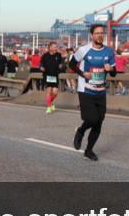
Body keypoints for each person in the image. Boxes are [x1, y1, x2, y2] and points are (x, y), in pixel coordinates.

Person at [69, 25, 117, 160]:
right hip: (85, 90)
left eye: (102, 33)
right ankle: (81, 131)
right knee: (91, 119)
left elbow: (113, 73)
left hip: (101, 91)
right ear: (92, 35)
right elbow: (71, 64)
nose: (100, 35)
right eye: (97, 33)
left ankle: (89, 151)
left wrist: (110, 69)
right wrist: (83, 73)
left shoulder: (109, 51)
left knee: (99, 122)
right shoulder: (84, 50)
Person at [38, 41, 65, 112]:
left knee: (55, 93)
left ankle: (50, 102)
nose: (56, 48)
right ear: (50, 48)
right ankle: (49, 107)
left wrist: (61, 66)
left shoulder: (58, 55)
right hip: (47, 75)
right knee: (49, 91)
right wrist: (41, 68)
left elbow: (62, 63)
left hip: (55, 75)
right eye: (54, 47)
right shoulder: (45, 56)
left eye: (56, 47)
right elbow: (40, 64)